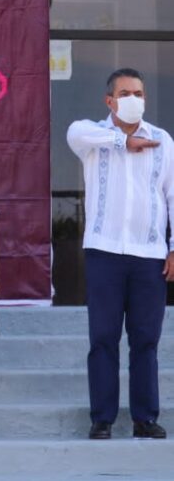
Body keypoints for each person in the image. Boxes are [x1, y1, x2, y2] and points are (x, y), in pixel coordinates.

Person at [67, 68, 171, 441]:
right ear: (109, 101)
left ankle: (145, 418)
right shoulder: (92, 137)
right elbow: (73, 131)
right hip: (104, 252)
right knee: (103, 337)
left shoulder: (162, 140)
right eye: (125, 93)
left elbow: (172, 197)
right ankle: (103, 418)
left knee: (145, 339)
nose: (134, 99)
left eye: (139, 93)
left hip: (149, 255)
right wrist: (121, 143)